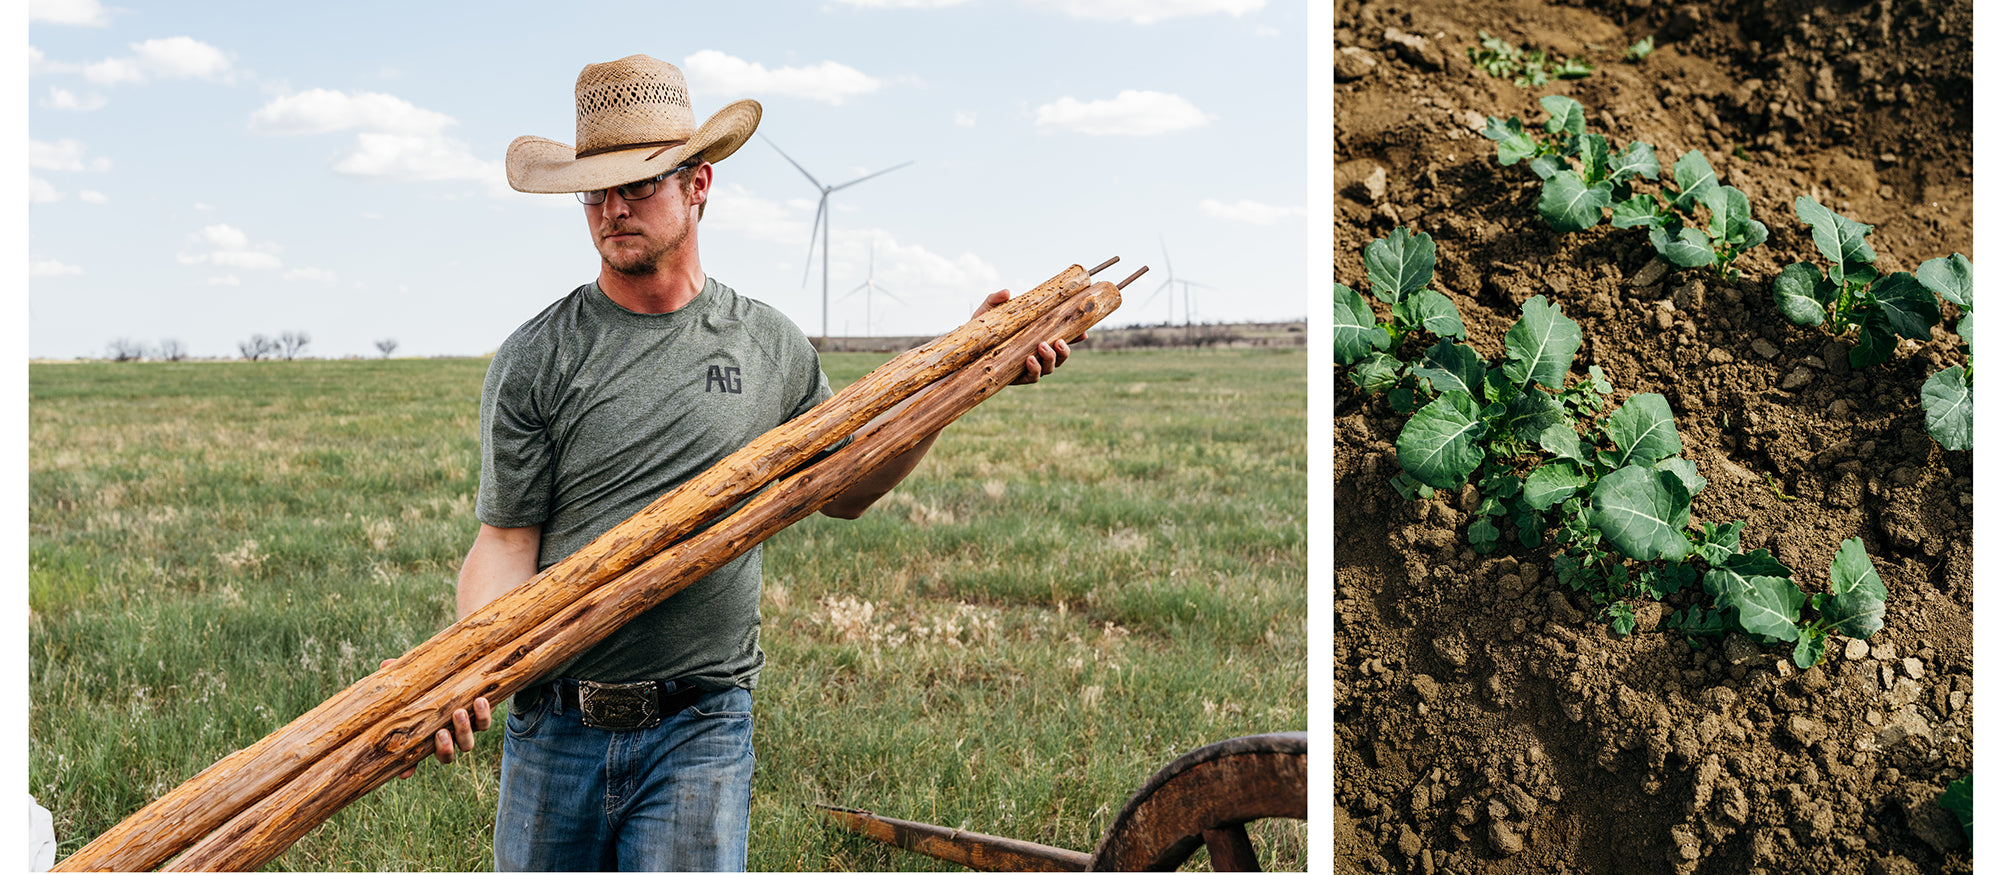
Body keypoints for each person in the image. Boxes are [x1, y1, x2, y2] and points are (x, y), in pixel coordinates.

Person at [409, 55, 1070, 871]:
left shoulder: (769, 346)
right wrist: (466, 662)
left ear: (700, 184)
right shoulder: (536, 357)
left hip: (699, 723)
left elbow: (847, 487)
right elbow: (506, 541)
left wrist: (965, 380)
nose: (614, 208)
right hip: (555, 724)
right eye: (595, 190)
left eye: (640, 183)